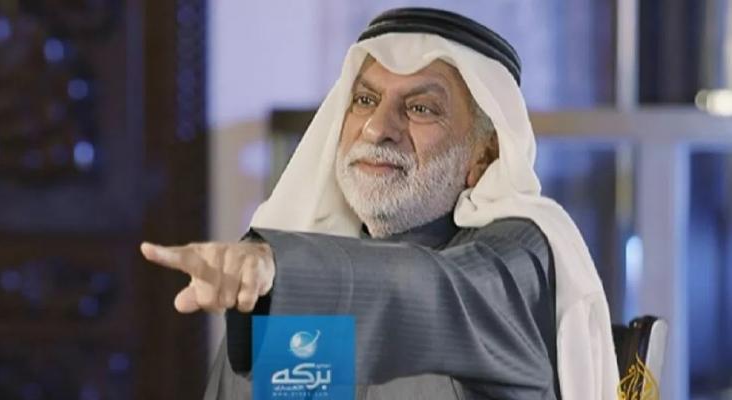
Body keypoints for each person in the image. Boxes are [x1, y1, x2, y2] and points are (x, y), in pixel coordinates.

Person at [140, 7, 619, 400]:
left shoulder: (517, 257)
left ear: (484, 154)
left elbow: (428, 293)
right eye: (366, 101)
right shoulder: (309, 266)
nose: (377, 128)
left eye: (420, 108)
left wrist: (280, 269)